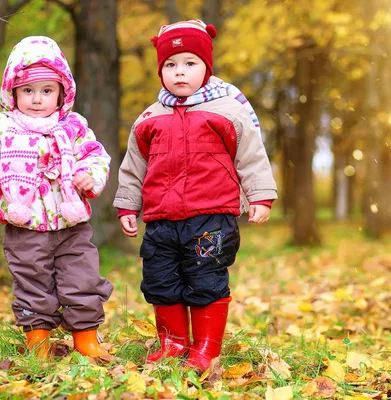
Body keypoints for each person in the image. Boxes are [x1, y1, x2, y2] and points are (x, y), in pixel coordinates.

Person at [113, 20, 278, 371]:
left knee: (206, 279)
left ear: (206, 67)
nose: (180, 72)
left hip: (211, 217)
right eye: (170, 65)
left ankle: (205, 347)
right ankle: (173, 343)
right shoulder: (148, 118)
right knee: (160, 280)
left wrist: (260, 197)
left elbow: (251, 156)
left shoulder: (228, 112)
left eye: (190, 63)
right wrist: (128, 204)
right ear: (161, 71)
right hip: (161, 220)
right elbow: (133, 166)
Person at [0, 36, 113, 360]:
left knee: (82, 279)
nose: (37, 99)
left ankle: (87, 339)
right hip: (25, 228)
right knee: (32, 285)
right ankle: (38, 341)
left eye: (46, 91)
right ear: (12, 91)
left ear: (62, 92)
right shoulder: (0, 127)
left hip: (71, 225)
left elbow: (96, 156)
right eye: (28, 91)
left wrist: (89, 175)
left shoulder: (73, 126)